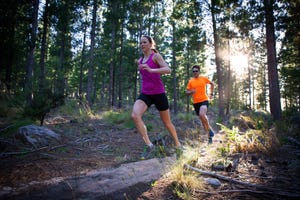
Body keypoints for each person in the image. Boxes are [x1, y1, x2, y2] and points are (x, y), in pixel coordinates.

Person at [131, 35, 181, 159]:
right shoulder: (140, 60)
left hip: (159, 93)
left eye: (144, 42)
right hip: (146, 93)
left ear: (150, 44)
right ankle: (149, 145)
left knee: (167, 123)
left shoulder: (156, 56)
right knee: (135, 115)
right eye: (141, 43)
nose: (142, 44)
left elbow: (168, 70)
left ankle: (178, 145)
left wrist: (151, 70)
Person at [186, 65, 215, 144]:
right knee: (203, 121)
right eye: (193, 71)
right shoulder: (191, 81)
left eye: (196, 71)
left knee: (202, 114)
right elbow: (187, 92)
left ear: (199, 71)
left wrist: (211, 94)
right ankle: (209, 137)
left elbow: (212, 84)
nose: (195, 72)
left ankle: (210, 130)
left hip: (204, 100)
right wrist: (191, 92)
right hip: (196, 103)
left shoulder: (203, 78)